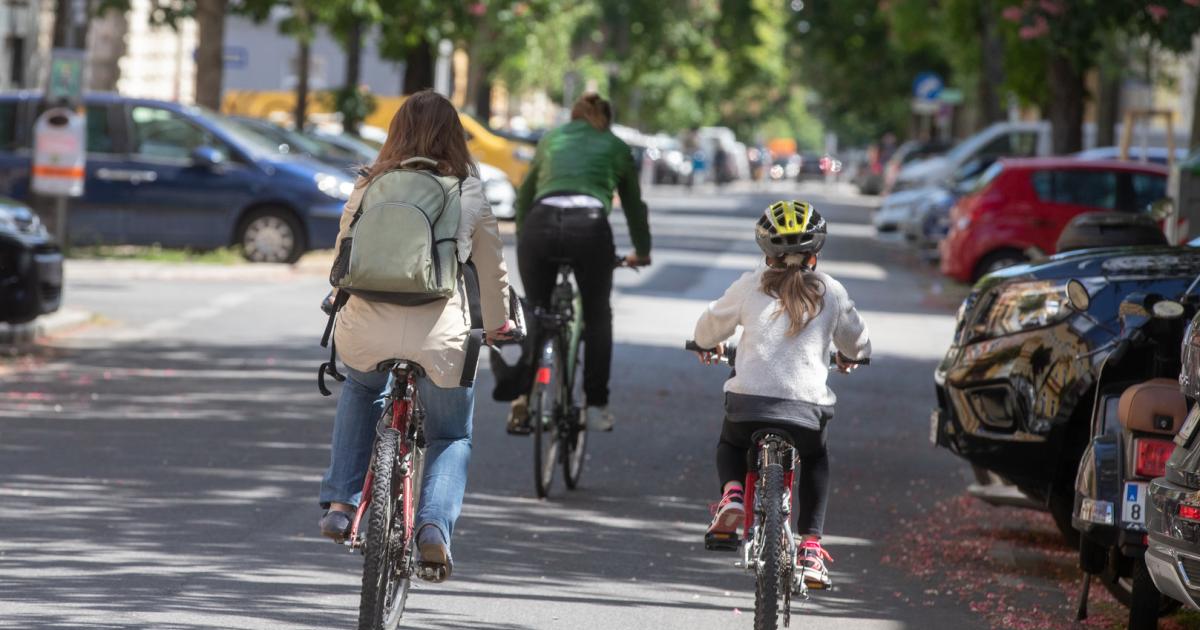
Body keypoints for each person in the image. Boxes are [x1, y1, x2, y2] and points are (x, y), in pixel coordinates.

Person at [317, 90, 515, 582]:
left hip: (365, 329)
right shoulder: (467, 188)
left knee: (362, 390)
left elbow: (343, 256)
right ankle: (432, 530)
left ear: (396, 132)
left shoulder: (370, 184)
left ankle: (342, 504)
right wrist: (499, 323)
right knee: (450, 434)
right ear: (455, 136)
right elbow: (491, 270)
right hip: (440, 338)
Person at [691, 200, 870, 590]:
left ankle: (733, 495)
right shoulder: (832, 292)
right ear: (815, 253)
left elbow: (709, 327)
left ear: (764, 250)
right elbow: (858, 342)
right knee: (816, 457)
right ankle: (810, 546)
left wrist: (703, 343)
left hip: (748, 405)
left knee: (731, 442)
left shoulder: (749, 284)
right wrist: (853, 356)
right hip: (806, 410)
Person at [506, 93, 652, 433]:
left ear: (573, 116)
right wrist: (642, 251)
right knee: (598, 315)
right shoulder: (615, 145)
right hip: (589, 228)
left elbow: (525, 194)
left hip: (540, 225)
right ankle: (597, 405)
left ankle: (522, 399)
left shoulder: (551, 139)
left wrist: (525, 238)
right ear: (606, 118)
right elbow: (633, 205)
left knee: (535, 312)